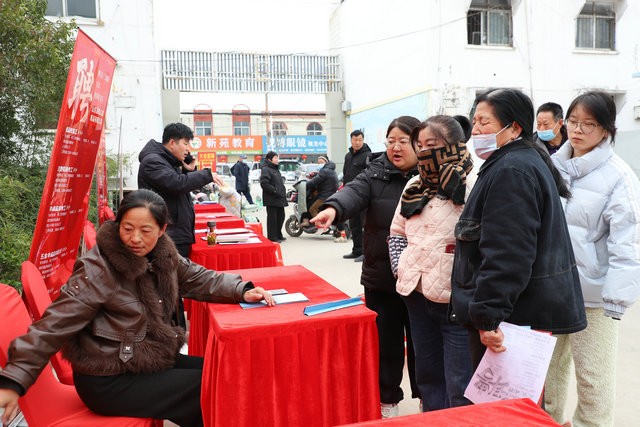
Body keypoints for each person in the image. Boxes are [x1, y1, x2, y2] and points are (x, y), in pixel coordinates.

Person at [0, 189, 273, 427]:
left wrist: (241, 290)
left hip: (144, 359)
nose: (135, 238)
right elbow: (53, 325)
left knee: (223, 371)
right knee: (212, 387)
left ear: (162, 230)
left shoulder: (163, 254)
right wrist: (13, 380)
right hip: (107, 378)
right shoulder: (98, 269)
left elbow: (198, 278)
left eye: (145, 231)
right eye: (127, 228)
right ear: (118, 224)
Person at [449, 88, 587, 370]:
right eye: (474, 122)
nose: (476, 130)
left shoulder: (511, 171)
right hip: (516, 313)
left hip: (512, 320)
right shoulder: (515, 162)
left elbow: (508, 252)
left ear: (514, 128)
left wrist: (489, 317)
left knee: (506, 396)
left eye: (485, 122)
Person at [312, 116, 421, 418]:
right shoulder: (374, 173)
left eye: (403, 141)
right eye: (391, 141)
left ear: (419, 144)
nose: (396, 147)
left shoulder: (433, 176)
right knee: (386, 346)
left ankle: (429, 401)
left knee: (423, 347)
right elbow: (352, 192)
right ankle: (387, 403)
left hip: (423, 280)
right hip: (382, 277)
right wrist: (332, 209)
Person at [544, 91, 640, 427]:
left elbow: (627, 245)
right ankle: (547, 421)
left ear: (607, 130)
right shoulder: (551, 166)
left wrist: (616, 299)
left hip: (594, 297)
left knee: (593, 380)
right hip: (551, 287)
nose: (578, 130)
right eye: (573, 122)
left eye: (589, 124)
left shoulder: (620, 177)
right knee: (546, 371)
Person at [388, 115, 474, 411]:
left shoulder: (474, 183)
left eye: (432, 145)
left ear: (454, 145)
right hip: (416, 293)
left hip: (455, 299)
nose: (424, 152)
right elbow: (397, 232)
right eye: (420, 146)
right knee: (428, 375)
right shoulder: (415, 184)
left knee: (460, 382)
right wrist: (401, 267)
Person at [138, 123, 222, 258]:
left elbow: (178, 186)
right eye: (186, 144)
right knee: (169, 270)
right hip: (167, 235)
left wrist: (188, 171)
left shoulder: (168, 162)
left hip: (175, 233)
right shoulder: (153, 162)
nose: (188, 149)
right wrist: (206, 175)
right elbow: (176, 183)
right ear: (172, 142)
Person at [342, 130, 372, 262]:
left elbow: (370, 175)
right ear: (351, 140)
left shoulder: (368, 155)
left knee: (365, 224)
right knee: (354, 224)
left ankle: (365, 253)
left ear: (363, 140)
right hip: (350, 195)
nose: (357, 142)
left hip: (363, 195)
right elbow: (345, 174)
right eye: (355, 140)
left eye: (360, 140)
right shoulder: (348, 156)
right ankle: (356, 250)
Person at [300, 155, 339, 228]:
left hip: (325, 196)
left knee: (312, 209)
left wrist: (304, 186)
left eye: (321, 162)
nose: (319, 164)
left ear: (326, 162)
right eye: (318, 163)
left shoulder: (324, 171)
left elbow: (314, 182)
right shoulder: (331, 170)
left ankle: (321, 225)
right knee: (312, 200)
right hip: (330, 194)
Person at [260, 151, 287, 243]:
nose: (277, 160)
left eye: (277, 158)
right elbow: (264, 183)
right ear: (269, 159)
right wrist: (274, 190)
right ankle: (272, 237)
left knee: (281, 217)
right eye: (275, 158)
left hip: (279, 198)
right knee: (273, 219)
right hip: (272, 198)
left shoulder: (275, 169)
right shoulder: (266, 169)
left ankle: (278, 234)